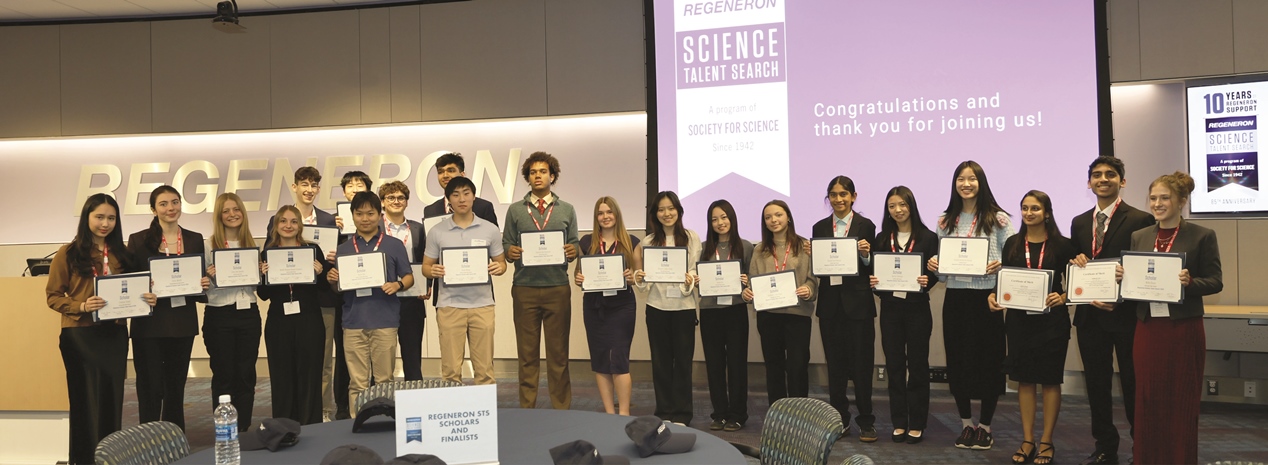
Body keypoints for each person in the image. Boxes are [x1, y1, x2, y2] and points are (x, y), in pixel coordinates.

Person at [1121, 171, 1221, 464]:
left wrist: (1190, 283)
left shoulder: (1202, 235)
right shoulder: (1140, 236)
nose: (1157, 203)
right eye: (1153, 198)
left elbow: (1215, 281)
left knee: (1180, 400)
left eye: (1165, 198)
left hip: (1182, 329)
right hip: (1148, 328)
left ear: (1181, 202)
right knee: (1148, 400)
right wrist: (1122, 277)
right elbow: (1135, 281)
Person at [46, 194, 152, 464]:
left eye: (111, 218)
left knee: (112, 400)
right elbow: (53, 296)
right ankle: (83, 460)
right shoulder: (68, 253)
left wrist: (147, 299)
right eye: (99, 217)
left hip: (114, 335)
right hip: (80, 335)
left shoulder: (123, 254)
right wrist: (81, 306)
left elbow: (135, 291)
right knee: (84, 402)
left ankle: (109, 458)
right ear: (87, 218)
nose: (105, 223)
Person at [1068, 156, 1154, 465]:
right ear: (1088, 182)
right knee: (1097, 385)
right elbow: (1077, 264)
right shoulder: (1079, 222)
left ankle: (1141, 447)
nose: (1103, 179)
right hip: (1090, 316)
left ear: (1122, 181)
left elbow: (1144, 270)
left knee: (1133, 384)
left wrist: (1121, 294)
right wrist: (1075, 265)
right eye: (1096, 175)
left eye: (1110, 174)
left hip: (1126, 316)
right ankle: (1105, 446)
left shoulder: (1140, 219)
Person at [927, 160, 1013, 451]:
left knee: (990, 362)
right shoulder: (944, 220)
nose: (966, 184)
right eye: (961, 179)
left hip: (987, 300)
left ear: (981, 182)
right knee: (958, 361)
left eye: (972, 178)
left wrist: (1000, 266)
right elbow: (941, 273)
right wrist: (934, 264)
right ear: (954, 184)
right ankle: (966, 424)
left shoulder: (999, 218)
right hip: (956, 299)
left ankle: (985, 426)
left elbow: (1012, 259)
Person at [987, 191, 1076, 465]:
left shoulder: (1063, 245)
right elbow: (1005, 281)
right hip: (1018, 322)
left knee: (1050, 381)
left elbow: (1076, 282)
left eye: (1035, 208)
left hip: (1052, 322)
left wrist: (1064, 297)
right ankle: (1028, 439)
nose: (1029, 213)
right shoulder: (1013, 243)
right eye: (1025, 208)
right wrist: (994, 296)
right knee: (1024, 380)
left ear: (1047, 212)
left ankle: (1046, 441)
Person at [125, 185, 208, 431]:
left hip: (181, 323)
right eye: (163, 204)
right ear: (153, 209)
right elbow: (130, 282)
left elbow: (199, 279)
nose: (170, 208)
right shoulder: (138, 240)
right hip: (149, 324)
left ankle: (175, 437)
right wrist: (143, 291)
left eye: (175, 202)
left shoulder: (194, 238)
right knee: (150, 387)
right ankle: (147, 439)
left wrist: (203, 283)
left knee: (175, 386)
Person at [502, 151, 580, 409]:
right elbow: (507, 244)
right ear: (527, 177)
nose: (538, 176)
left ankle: (561, 409)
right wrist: (510, 252)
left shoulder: (566, 209)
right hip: (524, 289)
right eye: (533, 172)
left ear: (552, 176)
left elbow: (574, 244)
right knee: (527, 356)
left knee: (558, 355)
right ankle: (527, 409)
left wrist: (572, 250)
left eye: (543, 171)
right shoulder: (515, 210)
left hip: (557, 288)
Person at [272, 166, 346, 422]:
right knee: (288, 367)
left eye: (314, 185)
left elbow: (331, 271)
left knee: (320, 363)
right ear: (295, 187)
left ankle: (322, 411)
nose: (309, 189)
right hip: (285, 311)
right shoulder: (275, 235)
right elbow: (265, 288)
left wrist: (326, 267)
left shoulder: (330, 221)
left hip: (319, 304)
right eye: (304, 184)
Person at [328, 191, 414, 410]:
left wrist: (398, 285)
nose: (365, 218)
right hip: (353, 323)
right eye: (359, 214)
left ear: (379, 214)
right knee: (357, 383)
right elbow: (338, 289)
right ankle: (358, 425)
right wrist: (332, 279)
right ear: (352, 216)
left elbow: (409, 277)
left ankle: (385, 424)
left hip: (385, 321)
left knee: (384, 381)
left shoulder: (394, 245)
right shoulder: (343, 249)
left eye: (370, 213)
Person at [869, 186, 939, 445]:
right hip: (890, 310)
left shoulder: (928, 237)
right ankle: (899, 421)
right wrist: (875, 283)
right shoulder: (881, 238)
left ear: (911, 206)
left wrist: (927, 279)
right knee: (895, 366)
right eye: (891, 206)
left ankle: (918, 421)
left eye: (902, 205)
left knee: (918, 366)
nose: (897, 210)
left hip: (918, 310)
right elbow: (876, 277)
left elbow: (935, 273)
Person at [810, 176, 878, 442]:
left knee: (862, 367)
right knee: (835, 367)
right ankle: (839, 419)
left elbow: (871, 266)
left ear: (853, 197)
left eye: (843, 194)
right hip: (830, 306)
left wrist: (864, 254)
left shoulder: (866, 226)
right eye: (833, 195)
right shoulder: (819, 226)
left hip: (858, 306)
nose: (838, 199)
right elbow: (821, 267)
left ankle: (866, 421)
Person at [423, 176, 506, 385]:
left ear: (474, 196)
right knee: (450, 371)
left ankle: (485, 415)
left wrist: (499, 267)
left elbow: (502, 263)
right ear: (448, 199)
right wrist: (433, 270)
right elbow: (425, 267)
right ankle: (453, 416)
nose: (461, 199)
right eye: (456, 194)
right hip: (449, 306)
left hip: (483, 305)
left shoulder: (490, 229)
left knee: (485, 370)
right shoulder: (437, 231)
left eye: (466, 193)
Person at [257, 205, 332, 425]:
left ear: (300, 225)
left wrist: (320, 274)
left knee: (310, 375)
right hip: (279, 321)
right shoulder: (266, 253)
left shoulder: (313, 250)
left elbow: (324, 290)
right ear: (276, 225)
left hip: (309, 319)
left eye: (293, 221)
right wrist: (263, 276)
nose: (288, 226)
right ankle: (283, 425)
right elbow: (263, 295)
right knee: (282, 376)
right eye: (283, 221)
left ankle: (311, 425)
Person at [633, 191, 701, 425]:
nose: (666, 213)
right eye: (661, 209)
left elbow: (693, 270)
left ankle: (682, 413)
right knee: (660, 362)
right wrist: (640, 277)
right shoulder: (648, 242)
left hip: (683, 308)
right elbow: (644, 284)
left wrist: (689, 280)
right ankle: (664, 412)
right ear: (655, 214)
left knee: (683, 362)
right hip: (656, 307)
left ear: (679, 211)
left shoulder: (692, 238)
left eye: (671, 208)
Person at [742, 200, 817, 405]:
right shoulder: (760, 249)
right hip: (769, 316)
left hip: (797, 315)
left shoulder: (804, 246)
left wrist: (808, 289)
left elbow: (813, 278)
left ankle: (799, 412)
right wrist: (748, 292)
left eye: (778, 215)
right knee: (773, 367)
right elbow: (752, 279)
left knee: (797, 367)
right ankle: (777, 413)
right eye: (768, 217)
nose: (773, 220)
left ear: (788, 217)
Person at [574, 196, 641, 415]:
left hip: (622, 307)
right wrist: (579, 278)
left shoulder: (632, 242)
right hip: (594, 307)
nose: (605, 217)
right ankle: (609, 414)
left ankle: (623, 413)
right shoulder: (586, 242)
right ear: (596, 218)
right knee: (601, 359)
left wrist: (633, 278)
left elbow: (640, 276)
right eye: (601, 213)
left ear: (617, 214)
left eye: (609, 212)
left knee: (619, 358)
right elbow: (578, 272)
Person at [204, 192, 262, 431]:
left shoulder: (253, 244)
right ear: (219, 215)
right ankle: (225, 428)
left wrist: (263, 272)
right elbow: (200, 283)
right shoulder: (208, 245)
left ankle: (245, 427)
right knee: (223, 374)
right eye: (226, 211)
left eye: (236, 209)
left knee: (246, 373)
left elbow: (258, 285)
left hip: (248, 313)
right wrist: (209, 276)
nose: (232, 214)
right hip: (220, 314)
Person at [695, 199, 753, 431]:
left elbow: (752, 278)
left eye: (724, 217)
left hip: (736, 310)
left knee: (737, 363)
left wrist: (747, 281)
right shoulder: (703, 247)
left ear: (732, 218)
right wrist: (698, 281)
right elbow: (697, 282)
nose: (720, 223)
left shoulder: (746, 246)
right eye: (714, 219)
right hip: (710, 311)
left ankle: (738, 414)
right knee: (715, 364)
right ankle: (719, 413)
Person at [378, 181, 429, 381]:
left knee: (412, 356)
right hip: (383, 298)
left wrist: (428, 286)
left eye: (401, 198)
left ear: (407, 202)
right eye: (391, 197)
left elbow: (426, 259)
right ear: (382, 202)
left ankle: (415, 401)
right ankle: (382, 403)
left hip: (412, 298)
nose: (396, 201)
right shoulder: (375, 228)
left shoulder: (417, 229)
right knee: (382, 358)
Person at [423, 152, 500, 224]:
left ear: (462, 174)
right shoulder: (430, 211)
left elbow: (493, 236)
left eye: (451, 170)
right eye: (440, 172)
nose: (445, 175)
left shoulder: (484, 207)